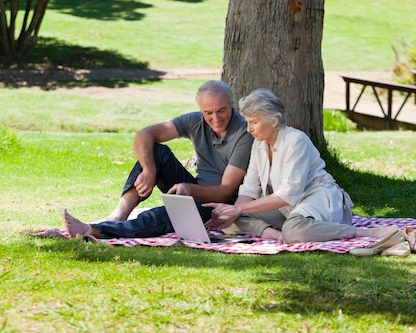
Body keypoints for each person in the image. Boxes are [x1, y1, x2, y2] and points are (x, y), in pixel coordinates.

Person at [204, 88, 404, 250]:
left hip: (318, 198)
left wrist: (238, 208)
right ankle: (277, 235)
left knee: (292, 229)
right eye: (247, 122)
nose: (249, 129)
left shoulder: (296, 140)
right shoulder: (259, 144)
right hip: (288, 211)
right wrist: (233, 211)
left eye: (254, 122)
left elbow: (288, 194)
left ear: (273, 121)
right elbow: (249, 189)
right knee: (230, 221)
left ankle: (367, 233)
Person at [62, 80, 253, 240]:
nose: (215, 118)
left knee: (169, 213)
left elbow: (225, 192)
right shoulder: (196, 121)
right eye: (208, 113)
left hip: (220, 205)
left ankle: (95, 231)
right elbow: (145, 134)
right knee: (155, 152)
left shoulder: (244, 134)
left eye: (221, 111)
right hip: (196, 189)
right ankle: (118, 215)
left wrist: (190, 190)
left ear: (232, 105)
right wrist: (149, 170)